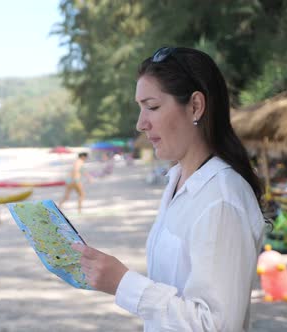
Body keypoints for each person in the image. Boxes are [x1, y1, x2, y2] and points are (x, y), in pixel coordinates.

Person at [72, 47, 267, 331]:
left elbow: (214, 324)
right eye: (140, 109)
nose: (141, 123)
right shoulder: (178, 181)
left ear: (195, 106)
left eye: (151, 107)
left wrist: (123, 283)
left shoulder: (221, 200)